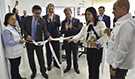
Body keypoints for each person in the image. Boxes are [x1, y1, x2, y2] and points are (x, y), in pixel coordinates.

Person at [69, 7, 110, 79]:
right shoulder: (86, 25)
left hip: (97, 50)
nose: (87, 16)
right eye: (86, 15)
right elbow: (80, 34)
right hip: (89, 49)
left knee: (95, 68)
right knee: (90, 67)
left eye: (89, 14)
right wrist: (72, 39)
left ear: (94, 14)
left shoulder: (101, 23)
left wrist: (97, 43)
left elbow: (106, 35)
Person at [107, 0, 135, 79]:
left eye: (114, 9)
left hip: (119, 66)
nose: (113, 12)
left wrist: (114, 67)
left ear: (123, 8)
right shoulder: (122, 22)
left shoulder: (127, 24)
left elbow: (123, 49)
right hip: (115, 62)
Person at [22, 5, 48, 79]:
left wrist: (48, 36)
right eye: (36, 13)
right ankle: (34, 72)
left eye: (39, 13)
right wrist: (26, 35)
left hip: (38, 43)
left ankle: (43, 72)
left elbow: (45, 31)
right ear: (32, 12)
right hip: (29, 43)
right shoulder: (27, 19)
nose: (38, 15)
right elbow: (23, 28)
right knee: (31, 58)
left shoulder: (42, 20)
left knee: (41, 58)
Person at [2, 13, 26, 79]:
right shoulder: (6, 30)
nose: (14, 20)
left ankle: (19, 77)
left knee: (16, 68)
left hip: (17, 53)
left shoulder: (14, 27)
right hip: (12, 54)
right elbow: (7, 42)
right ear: (7, 20)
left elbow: (16, 37)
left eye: (15, 19)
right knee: (14, 69)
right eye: (12, 19)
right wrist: (19, 41)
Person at [61, 7, 82, 74]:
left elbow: (79, 31)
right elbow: (61, 32)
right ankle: (68, 67)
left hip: (74, 41)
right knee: (68, 55)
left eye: (68, 13)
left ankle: (76, 68)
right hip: (67, 41)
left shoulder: (77, 20)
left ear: (71, 12)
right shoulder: (63, 22)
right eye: (66, 14)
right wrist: (66, 29)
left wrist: (71, 27)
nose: (67, 15)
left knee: (75, 55)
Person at [43, 3, 61, 71]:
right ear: (47, 9)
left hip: (56, 36)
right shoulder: (44, 17)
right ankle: (49, 64)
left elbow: (59, 24)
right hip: (48, 37)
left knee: (57, 51)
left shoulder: (57, 16)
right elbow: (44, 28)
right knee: (48, 51)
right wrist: (47, 35)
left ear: (54, 9)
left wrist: (54, 20)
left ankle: (56, 63)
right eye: (49, 8)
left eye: (52, 8)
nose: (51, 10)